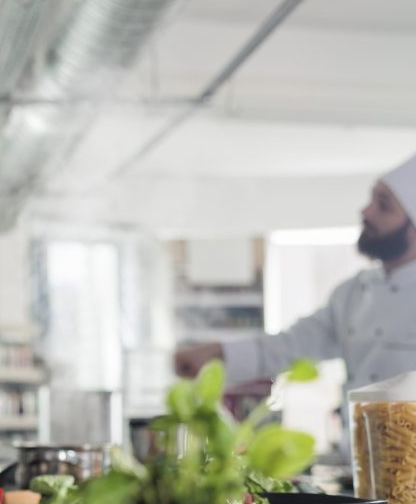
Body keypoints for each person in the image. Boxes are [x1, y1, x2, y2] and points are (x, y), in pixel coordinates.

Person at [175, 154, 416, 400]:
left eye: (383, 206)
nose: (366, 211)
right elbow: (294, 345)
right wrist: (216, 353)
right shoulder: (353, 293)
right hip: (359, 436)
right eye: (372, 199)